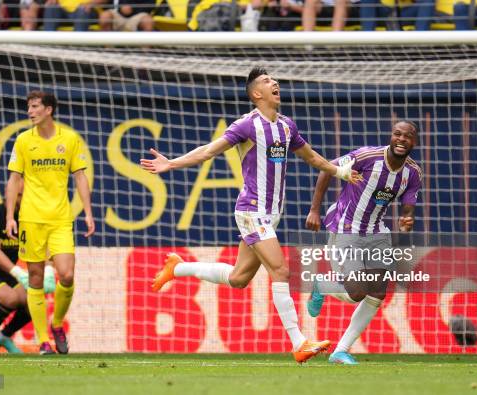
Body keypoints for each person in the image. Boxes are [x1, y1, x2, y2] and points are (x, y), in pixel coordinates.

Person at [141, 66, 363, 364]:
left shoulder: (286, 126)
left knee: (238, 278)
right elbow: (209, 151)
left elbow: (311, 157)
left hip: (271, 215)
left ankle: (177, 268)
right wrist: (172, 164)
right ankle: (299, 342)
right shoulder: (246, 125)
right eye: (268, 81)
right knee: (281, 271)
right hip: (251, 211)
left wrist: (340, 172)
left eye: (275, 80)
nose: (276, 83)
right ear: (257, 94)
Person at [304, 120, 422, 364]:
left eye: (407, 136)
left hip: (377, 232)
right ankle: (322, 286)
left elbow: (408, 207)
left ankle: (340, 351)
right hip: (346, 228)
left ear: (414, 142)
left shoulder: (413, 172)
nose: (401, 139)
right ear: (391, 137)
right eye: (397, 134)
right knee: (356, 292)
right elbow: (327, 168)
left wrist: (407, 218)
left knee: (377, 292)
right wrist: (314, 210)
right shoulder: (367, 157)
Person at [5, 90, 95, 355]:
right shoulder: (22, 141)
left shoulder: (69, 139)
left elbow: (79, 176)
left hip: (60, 219)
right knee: (34, 279)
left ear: (49, 109)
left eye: (34, 107)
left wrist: (88, 212)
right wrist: (11, 215)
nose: (29, 111)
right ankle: (43, 340)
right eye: (28, 107)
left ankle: (57, 325)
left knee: (66, 274)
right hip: (31, 219)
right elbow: (13, 179)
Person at [0, 187, 56, 354]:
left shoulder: (27, 219)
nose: (27, 200)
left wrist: (50, 270)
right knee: (11, 298)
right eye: (22, 195)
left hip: (7, 275)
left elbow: (44, 247)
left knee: (35, 299)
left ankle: (5, 336)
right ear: (11, 196)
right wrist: (19, 273)